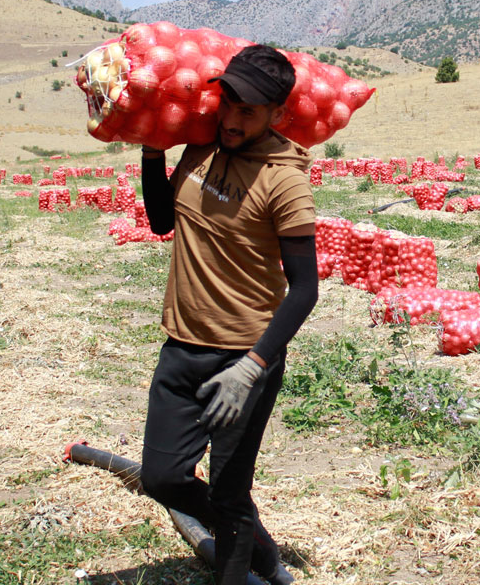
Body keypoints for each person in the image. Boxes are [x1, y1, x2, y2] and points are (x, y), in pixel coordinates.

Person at [137, 45, 318, 585]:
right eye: (229, 103)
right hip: (182, 346)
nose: (233, 119)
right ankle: (256, 543)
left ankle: (239, 564)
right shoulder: (199, 150)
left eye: (249, 111)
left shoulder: (284, 180)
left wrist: (251, 368)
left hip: (244, 357)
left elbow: (306, 289)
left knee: (229, 490)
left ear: (276, 116)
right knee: (161, 478)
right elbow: (160, 221)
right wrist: (151, 153)